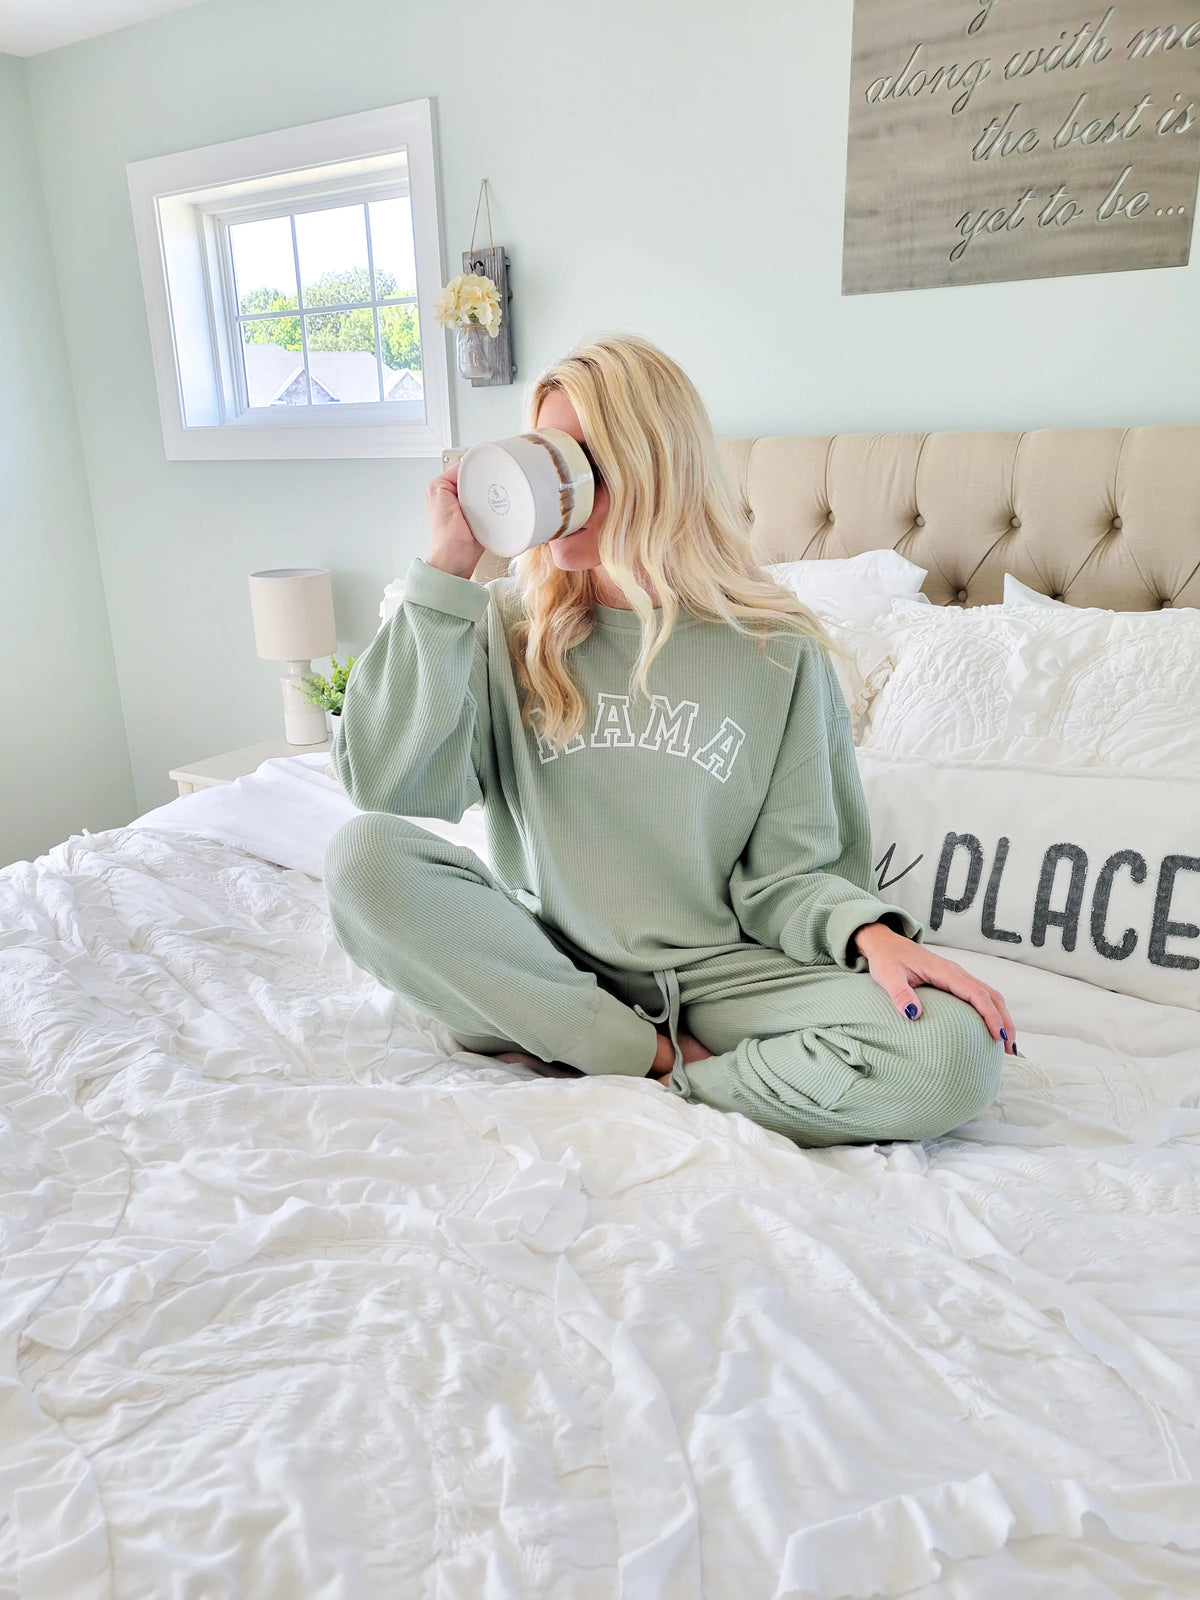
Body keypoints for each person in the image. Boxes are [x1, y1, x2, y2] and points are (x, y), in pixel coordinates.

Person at [324, 333, 1013, 1148]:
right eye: (542, 453)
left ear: (658, 467)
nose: (556, 486)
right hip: (550, 964)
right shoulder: (506, 626)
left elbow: (793, 874)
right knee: (362, 858)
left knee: (949, 1054)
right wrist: (446, 573)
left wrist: (868, 934)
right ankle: (638, 1056)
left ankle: (654, 1075)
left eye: (585, 459)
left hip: (721, 976)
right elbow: (390, 786)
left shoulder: (776, 648)